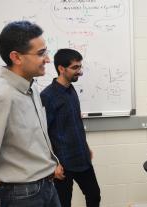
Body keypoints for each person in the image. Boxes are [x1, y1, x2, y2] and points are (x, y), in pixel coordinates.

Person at [0, 21, 62, 207]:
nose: (48, 59)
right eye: (41, 54)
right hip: (21, 196)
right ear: (16, 57)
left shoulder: (31, 88)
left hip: (46, 186)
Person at [40, 49, 101, 207]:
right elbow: (42, 133)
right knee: (63, 203)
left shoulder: (71, 90)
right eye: (75, 68)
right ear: (61, 68)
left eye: (80, 67)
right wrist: (53, 164)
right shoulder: (47, 96)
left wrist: (86, 147)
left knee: (94, 195)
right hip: (63, 163)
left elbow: (75, 122)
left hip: (81, 157)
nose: (79, 72)